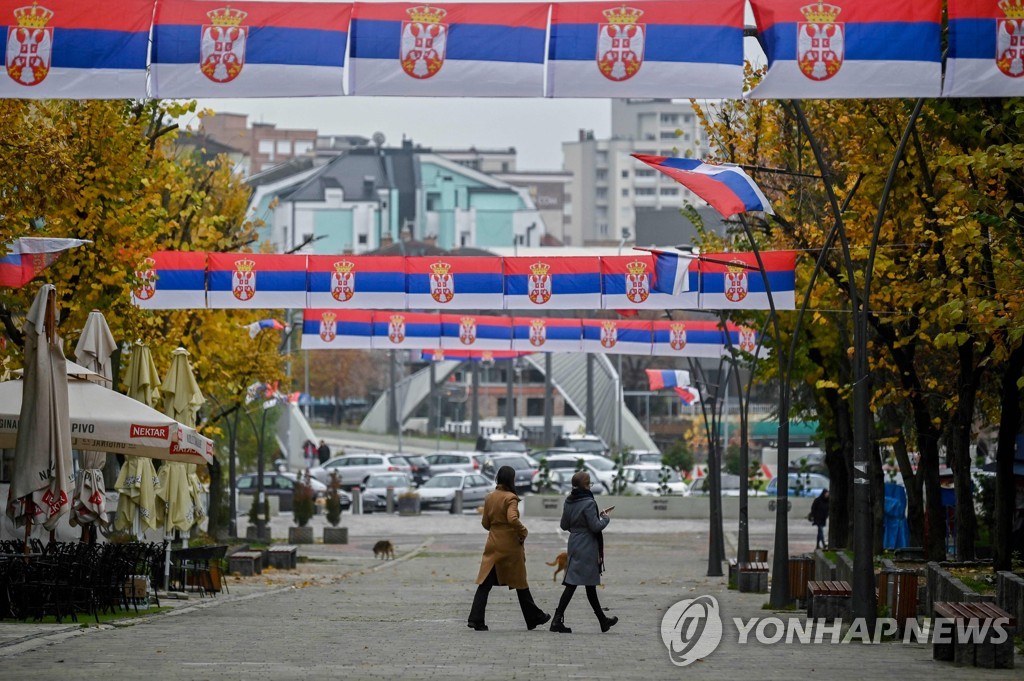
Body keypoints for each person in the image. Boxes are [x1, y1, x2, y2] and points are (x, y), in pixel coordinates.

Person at [467, 465, 550, 632]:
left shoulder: (490, 497)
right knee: (519, 580)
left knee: (485, 582)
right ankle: (533, 617)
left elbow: (485, 523)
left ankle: (476, 619)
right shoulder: (511, 498)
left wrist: (496, 527)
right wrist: (523, 531)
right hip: (510, 544)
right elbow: (512, 518)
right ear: (512, 480)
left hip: (493, 542)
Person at [550, 470, 618, 634]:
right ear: (585, 485)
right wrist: (605, 518)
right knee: (577, 583)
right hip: (587, 544)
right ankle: (557, 620)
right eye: (589, 483)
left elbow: (564, 525)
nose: (590, 486)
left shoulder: (569, 500)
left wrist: (577, 526)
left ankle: (602, 621)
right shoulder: (589, 502)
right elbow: (595, 527)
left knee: (585, 583)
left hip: (574, 543)